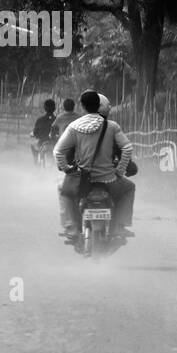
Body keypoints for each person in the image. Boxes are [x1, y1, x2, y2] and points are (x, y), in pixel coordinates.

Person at [53, 89, 135, 242]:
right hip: (109, 179)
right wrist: (120, 170)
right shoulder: (112, 126)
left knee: (64, 192)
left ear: (82, 106)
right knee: (129, 188)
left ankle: (71, 227)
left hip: (81, 180)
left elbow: (58, 152)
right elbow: (127, 148)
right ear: (99, 105)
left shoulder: (74, 126)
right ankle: (119, 226)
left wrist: (68, 170)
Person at [30, 99, 57, 166]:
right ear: (54, 108)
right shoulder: (57, 119)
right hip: (55, 144)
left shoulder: (40, 120)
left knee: (33, 146)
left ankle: (36, 163)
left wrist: (34, 134)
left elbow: (35, 133)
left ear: (45, 108)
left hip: (42, 143)